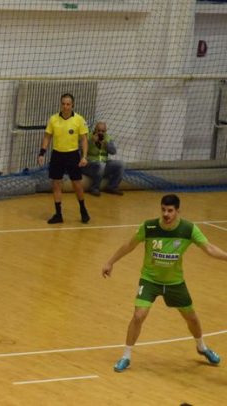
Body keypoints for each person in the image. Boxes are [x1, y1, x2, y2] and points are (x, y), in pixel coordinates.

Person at [102, 194, 227, 372]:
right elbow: (129, 245)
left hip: (175, 282)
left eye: (170, 210)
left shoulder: (188, 229)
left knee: (191, 317)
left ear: (178, 211)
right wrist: (110, 262)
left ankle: (202, 347)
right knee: (138, 316)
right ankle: (126, 356)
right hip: (149, 279)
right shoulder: (149, 227)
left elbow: (209, 248)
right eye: (163, 210)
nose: (166, 214)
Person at [37, 93, 90, 224]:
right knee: (56, 183)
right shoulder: (53, 119)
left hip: (73, 155)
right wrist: (42, 153)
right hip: (57, 154)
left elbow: (84, 140)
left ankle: (83, 210)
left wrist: (84, 156)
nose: (65, 106)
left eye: (68, 104)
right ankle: (58, 214)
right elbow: (47, 137)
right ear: (60, 104)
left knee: (76, 184)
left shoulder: (79, 120)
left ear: (72, 105)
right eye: (63, 104)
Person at [81, 121, 125, 196]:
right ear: (95, 130)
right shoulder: (88, 136)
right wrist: (91, 141)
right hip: (89, 165)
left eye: (103, 131)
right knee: (101, 165)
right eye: (98, 130)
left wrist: (106, 145)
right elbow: (80, 149)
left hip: (103, 164)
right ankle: (94, 188)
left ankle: (112, 187)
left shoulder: (108, 138)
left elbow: (113, 152)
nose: (100, 133)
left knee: (120, 164)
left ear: (106, 131)